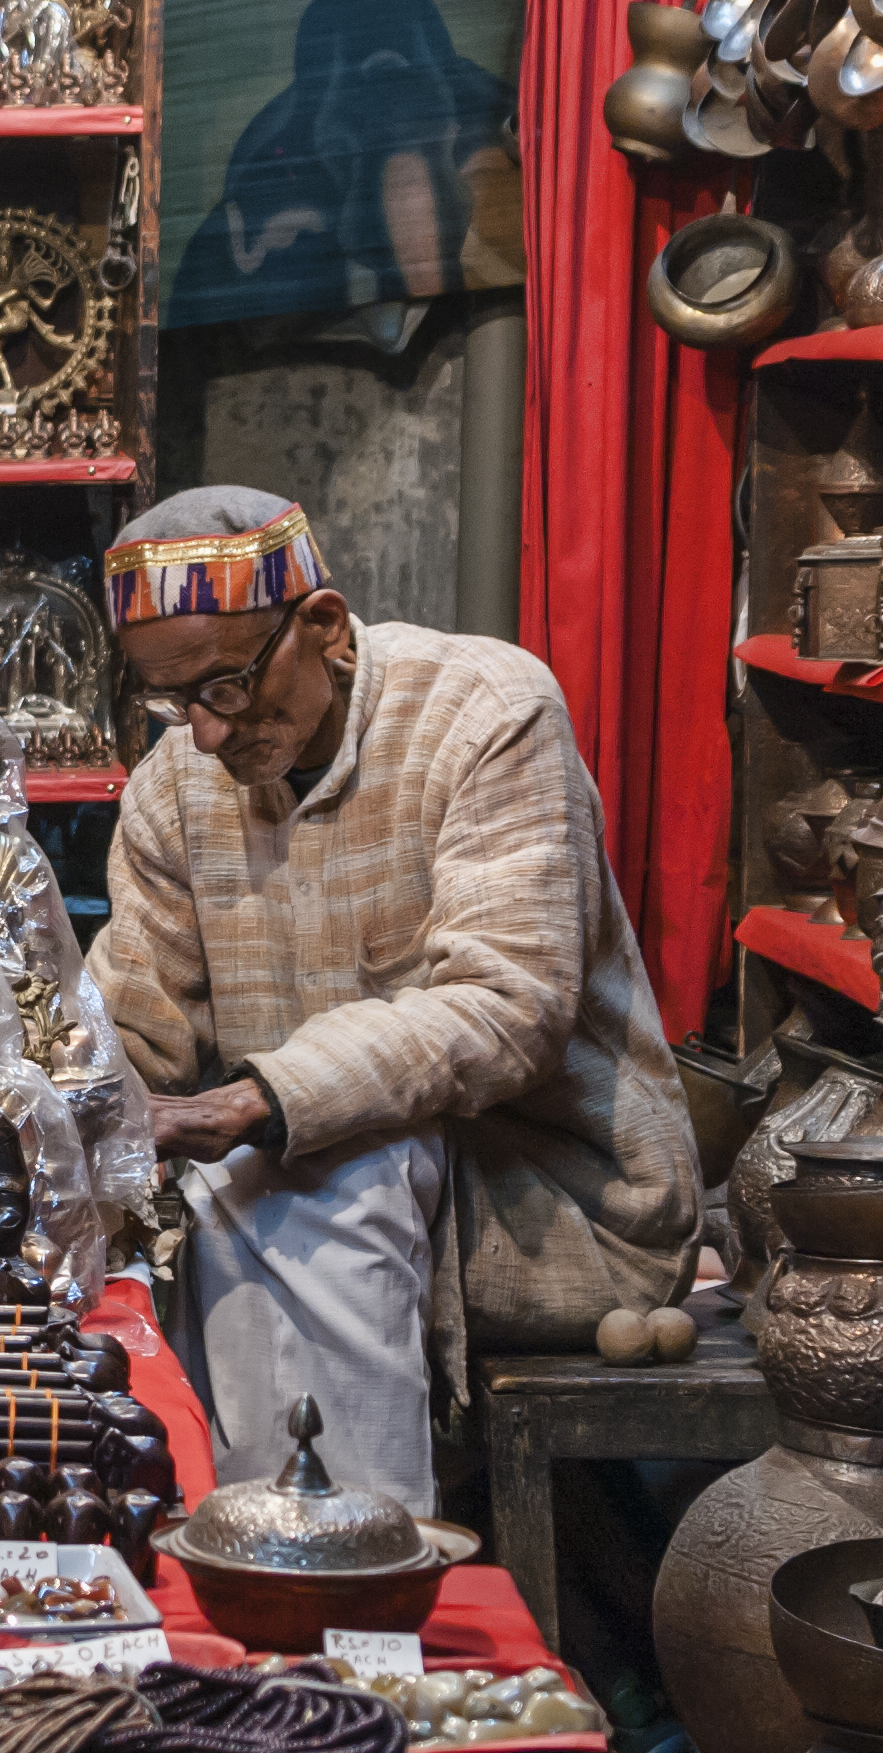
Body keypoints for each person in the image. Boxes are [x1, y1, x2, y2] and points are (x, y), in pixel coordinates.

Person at [88, 486, 698, 1506]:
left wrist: (255, 1102)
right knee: (198, 1197)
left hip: (553, 1200)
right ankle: (233, 1541)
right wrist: (61, 1098)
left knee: (334, 1172)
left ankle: (350, 1572)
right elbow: (136, 1028)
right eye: (169, 701)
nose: (202, 733)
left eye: (228, 686)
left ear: (322, 627)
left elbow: (505, 1010)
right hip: (309, 1185)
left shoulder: (486, 713)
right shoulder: (174, 789)